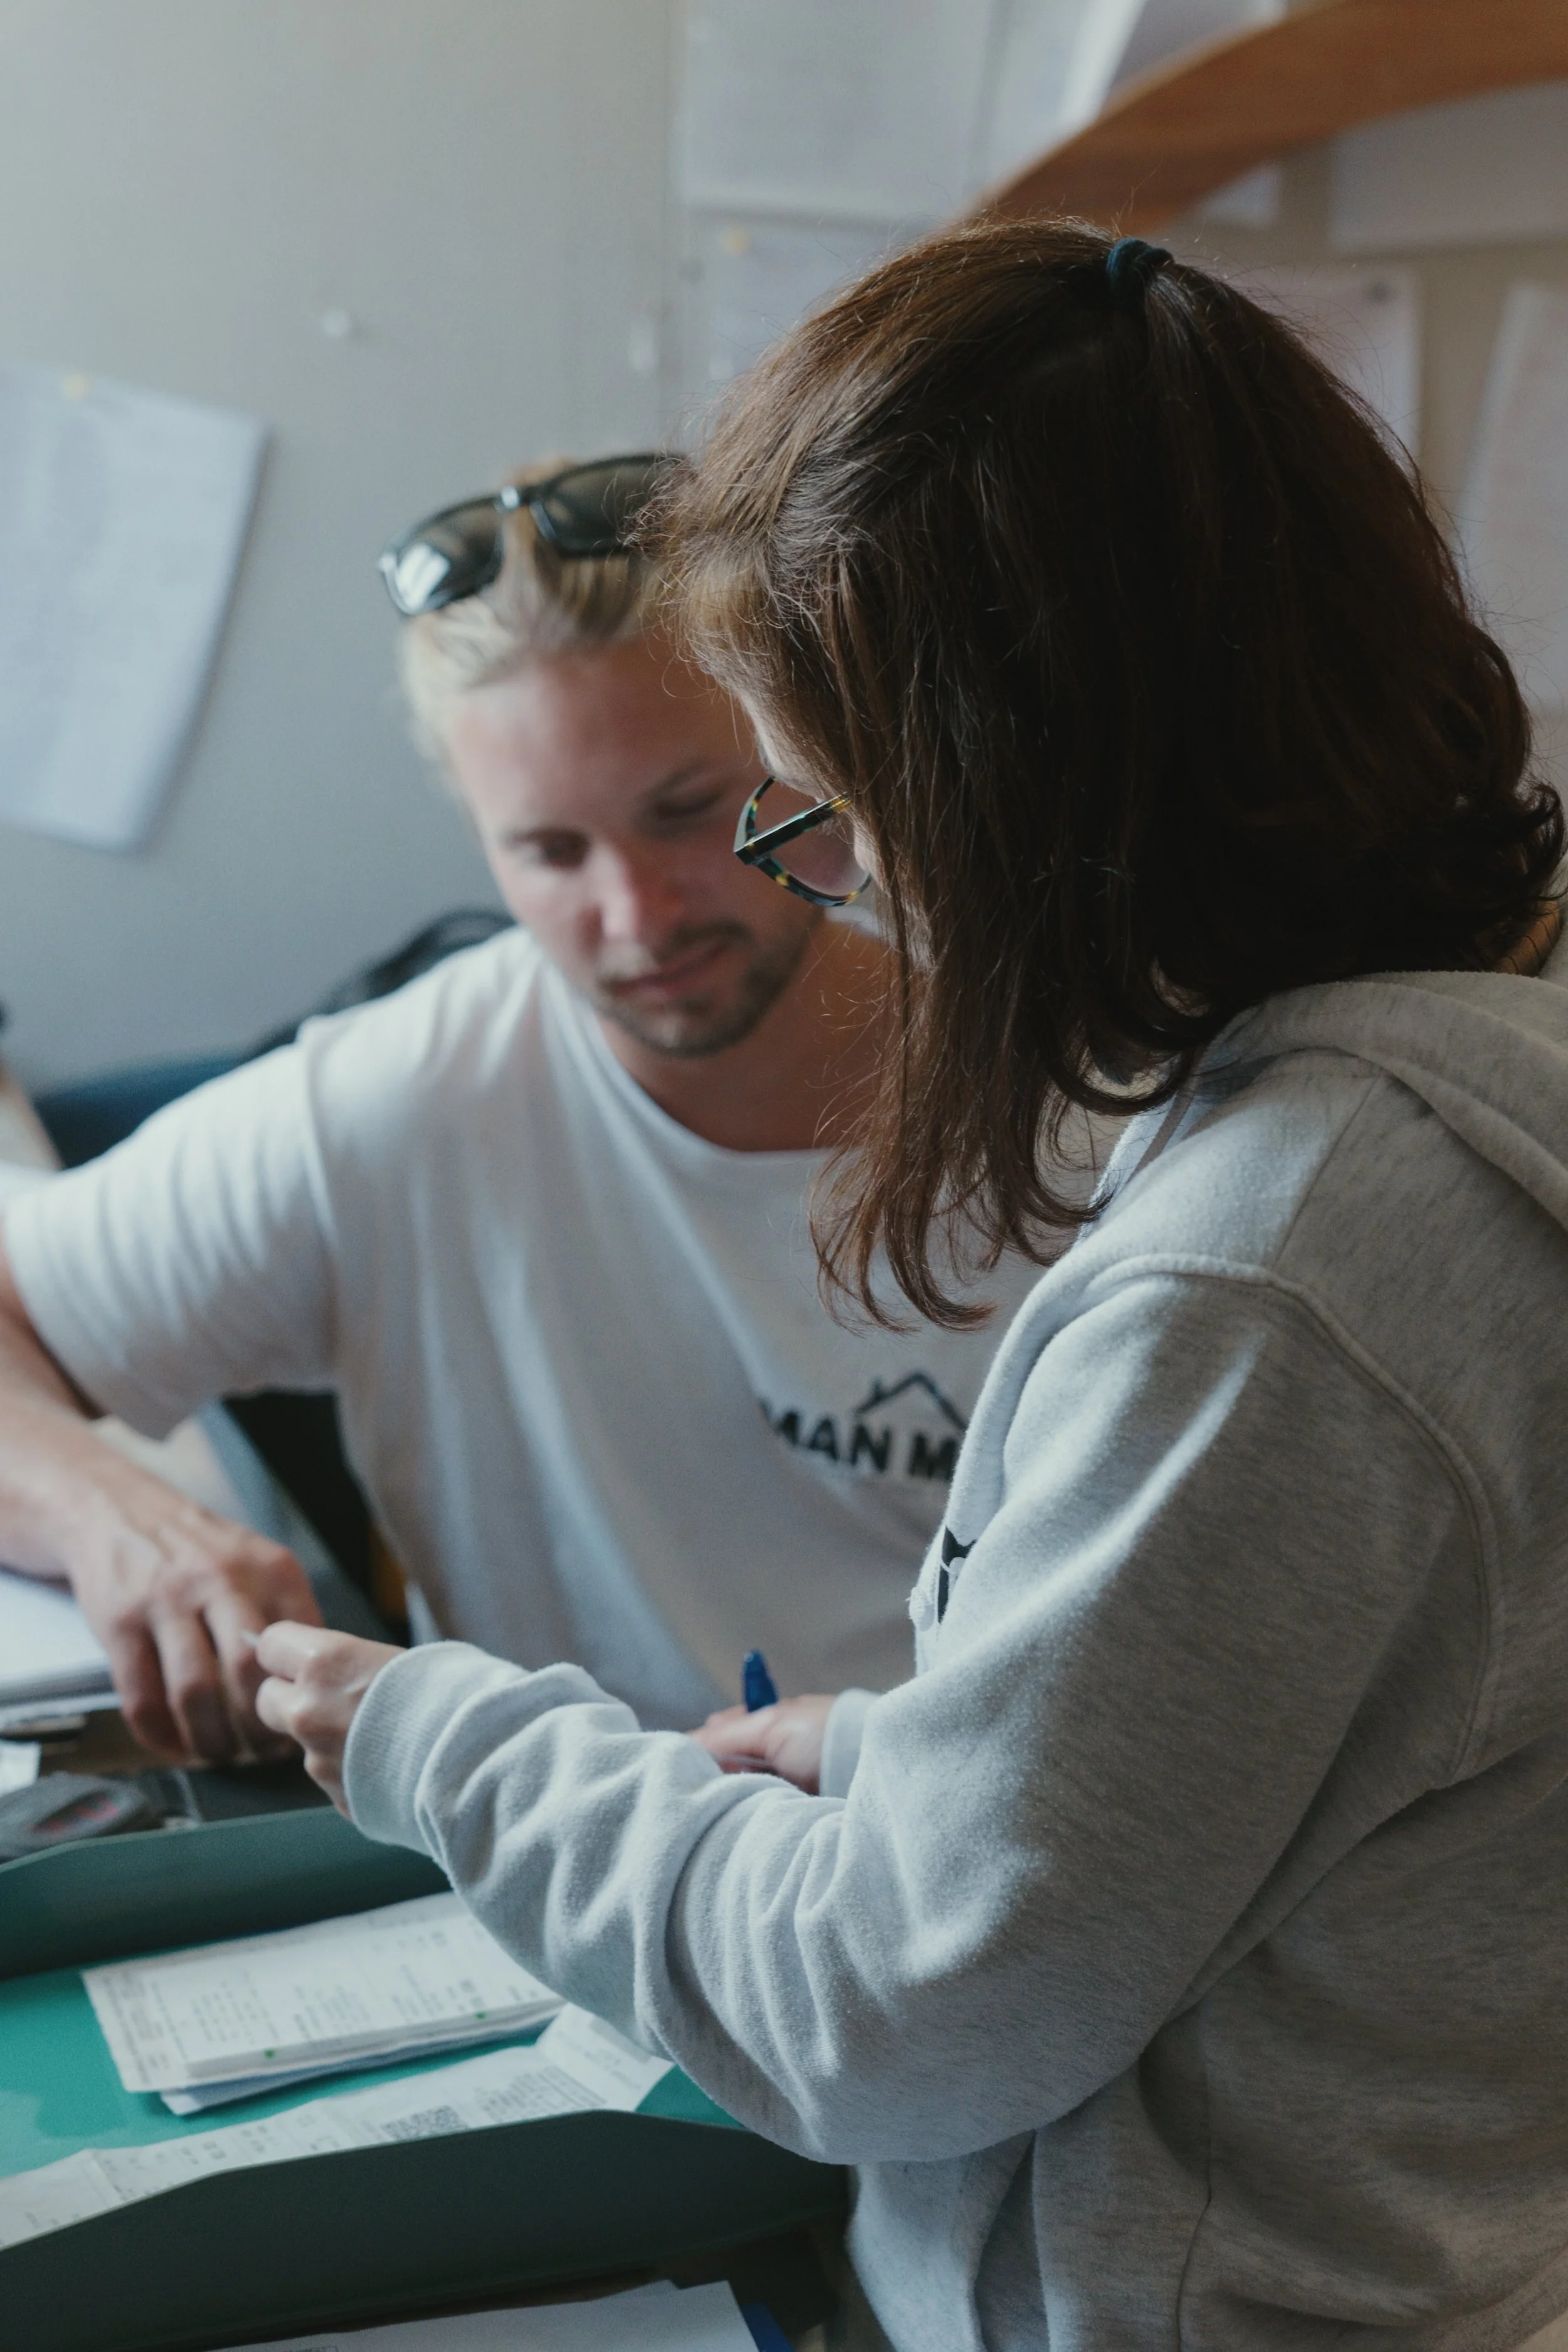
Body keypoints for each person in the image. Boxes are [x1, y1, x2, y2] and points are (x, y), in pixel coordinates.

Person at [255, 223, 1568, 2352]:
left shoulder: (1276, 1294)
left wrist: (451, 1740)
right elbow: (1352, 1768)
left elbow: (890, 2009)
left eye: (832, 814)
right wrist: (929, 1755)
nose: (844, 885)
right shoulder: (1481, 1090)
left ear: (1030, 793)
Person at [0, 454, 1044, 1766]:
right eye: (551, 852)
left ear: (806, 752)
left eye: (686, 813)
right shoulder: (406, 1098)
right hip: (556, 1895)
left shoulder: (1070, 1102)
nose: (636, 916)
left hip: (959, 1878)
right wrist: (112, 1518)